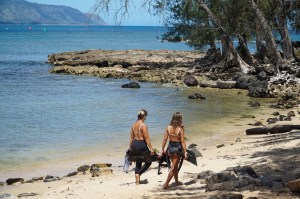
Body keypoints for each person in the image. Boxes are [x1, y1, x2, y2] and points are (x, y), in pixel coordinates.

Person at [161, 112, 188, 189]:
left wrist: (162, 149)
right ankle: (166, 184)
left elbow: (165, 139)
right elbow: (182, 141)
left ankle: (176, 181)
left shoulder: (168, 127)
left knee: (175, 166)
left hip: (170, 149)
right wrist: (185, 152)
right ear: (179, 119)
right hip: (177, 149)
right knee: (173, 168)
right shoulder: (180, 128)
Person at [129, 109, 154, 185]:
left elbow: (131, 138)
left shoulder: (133, 125)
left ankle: (137, 180)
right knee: (149, 161)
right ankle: (139, 173)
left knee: (138, 161)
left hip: (134, 144)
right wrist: (151, 148)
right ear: (144, 116)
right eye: (146, 116)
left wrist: (130, 148)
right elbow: (147, 138)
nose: (146, 118)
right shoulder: (143, 125)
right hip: (141, 144)